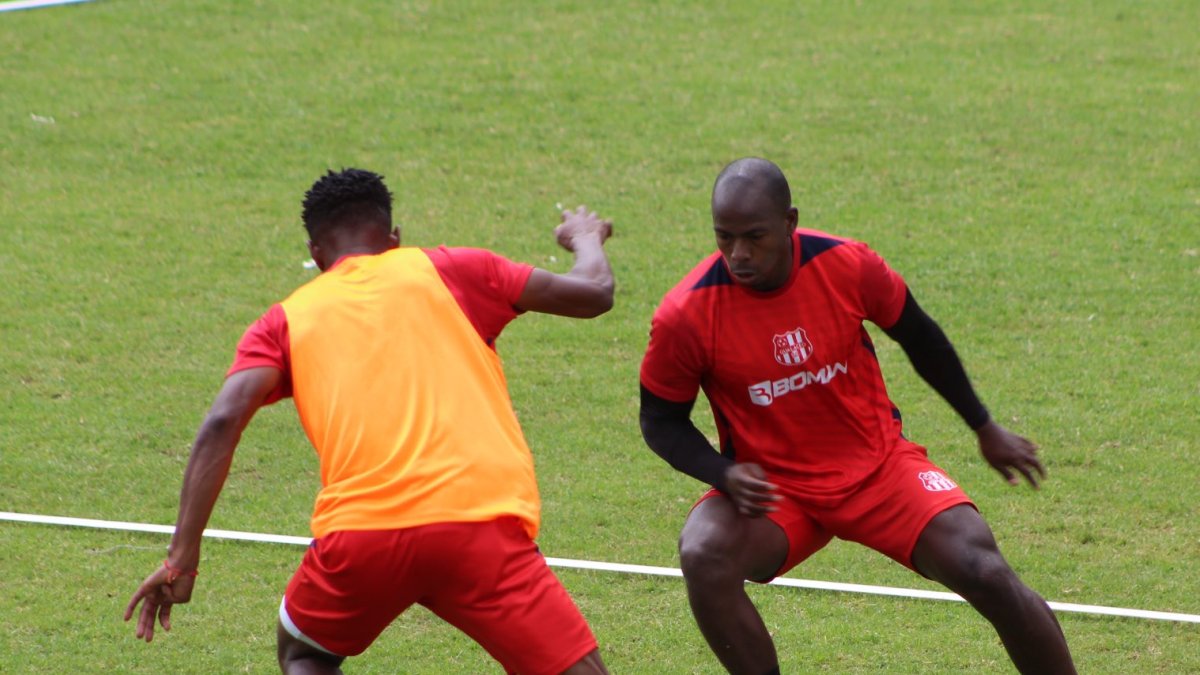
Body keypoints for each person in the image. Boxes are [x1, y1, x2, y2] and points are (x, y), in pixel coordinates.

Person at [125, 168, 614, 675]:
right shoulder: (456, 270)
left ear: (316, 255)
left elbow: (222, 420)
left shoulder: (285, 320)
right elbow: (594, 291)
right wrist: (584, 237)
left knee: (304, 653)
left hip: (361, 540)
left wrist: (181, 559)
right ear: (395, 239)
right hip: (479, 528)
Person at [639, 157, 1075, 674]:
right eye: (724, 236)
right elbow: (660, 420)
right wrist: (724, 473)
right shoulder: (686, 314)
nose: (739, 254)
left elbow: (921, 337)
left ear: (789, 222)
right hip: (775, 489)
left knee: (984, 570)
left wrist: (983, 425)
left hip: (877, 467)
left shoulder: (847, 264)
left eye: (754, 236)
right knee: (703, 553)